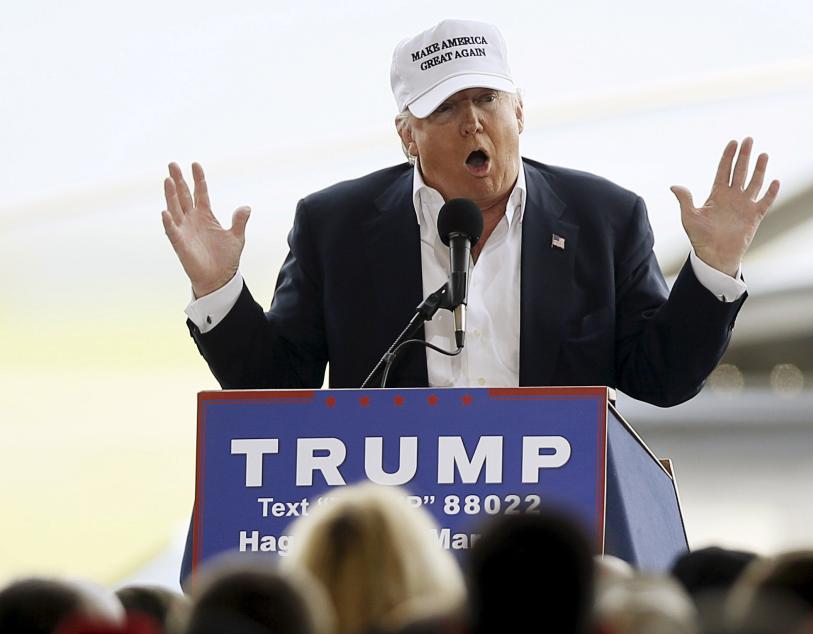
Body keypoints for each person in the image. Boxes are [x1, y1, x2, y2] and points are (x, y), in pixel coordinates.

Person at [162, 19, 779, 404]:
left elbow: (660, 378)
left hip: (550, 528)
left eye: (487, 98)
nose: (473, 122)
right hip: (397, 529)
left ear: (519, 113)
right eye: (446, 109)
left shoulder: (603, 219)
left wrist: (714, 268)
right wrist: (218, 287)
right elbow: (278, 388)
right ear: (407, 135)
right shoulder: (336, 227)